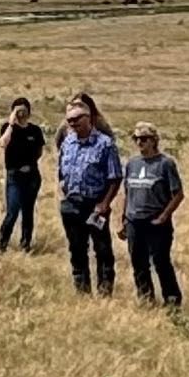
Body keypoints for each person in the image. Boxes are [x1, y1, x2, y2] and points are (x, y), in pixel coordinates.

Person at [56, 99, 123, 295]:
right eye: (69, 120)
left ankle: (105, 291)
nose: (73, 123)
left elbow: (115, 177)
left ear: (88, 118)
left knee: (102, 250)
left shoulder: (105, 144)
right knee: (76, 249)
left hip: (95, 205)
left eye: (77, 119)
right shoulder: (67, 143)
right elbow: (61, 171)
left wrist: (104, 203)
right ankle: (82, 291)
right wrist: (63, 191)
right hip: (71, 204)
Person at [120, 122, 184, 307]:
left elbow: (178, 194)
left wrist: (164, 216)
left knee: (160, 261)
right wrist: (124, 219)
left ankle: (172, 300)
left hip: (156, 222)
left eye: (144, 139)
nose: (140, 142)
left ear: (154, 140)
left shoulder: (165, 164)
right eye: (137, 139)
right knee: (138, 262)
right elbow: (128, 193)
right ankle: (146, 299)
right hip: (134, 221)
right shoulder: (132, 164)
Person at [0, 97, 45, 254]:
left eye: (24, 110)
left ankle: (25, 244)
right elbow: (3, 143)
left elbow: (39, 151)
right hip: (14, 176)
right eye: (18, 111)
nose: (21, 114)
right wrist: (11, 124)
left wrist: (29, 164)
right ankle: (1, 244)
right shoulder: (8, 128)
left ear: (29, 112)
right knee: (13, 210)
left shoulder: (35, 131)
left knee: (28, 211)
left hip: (31, 176)